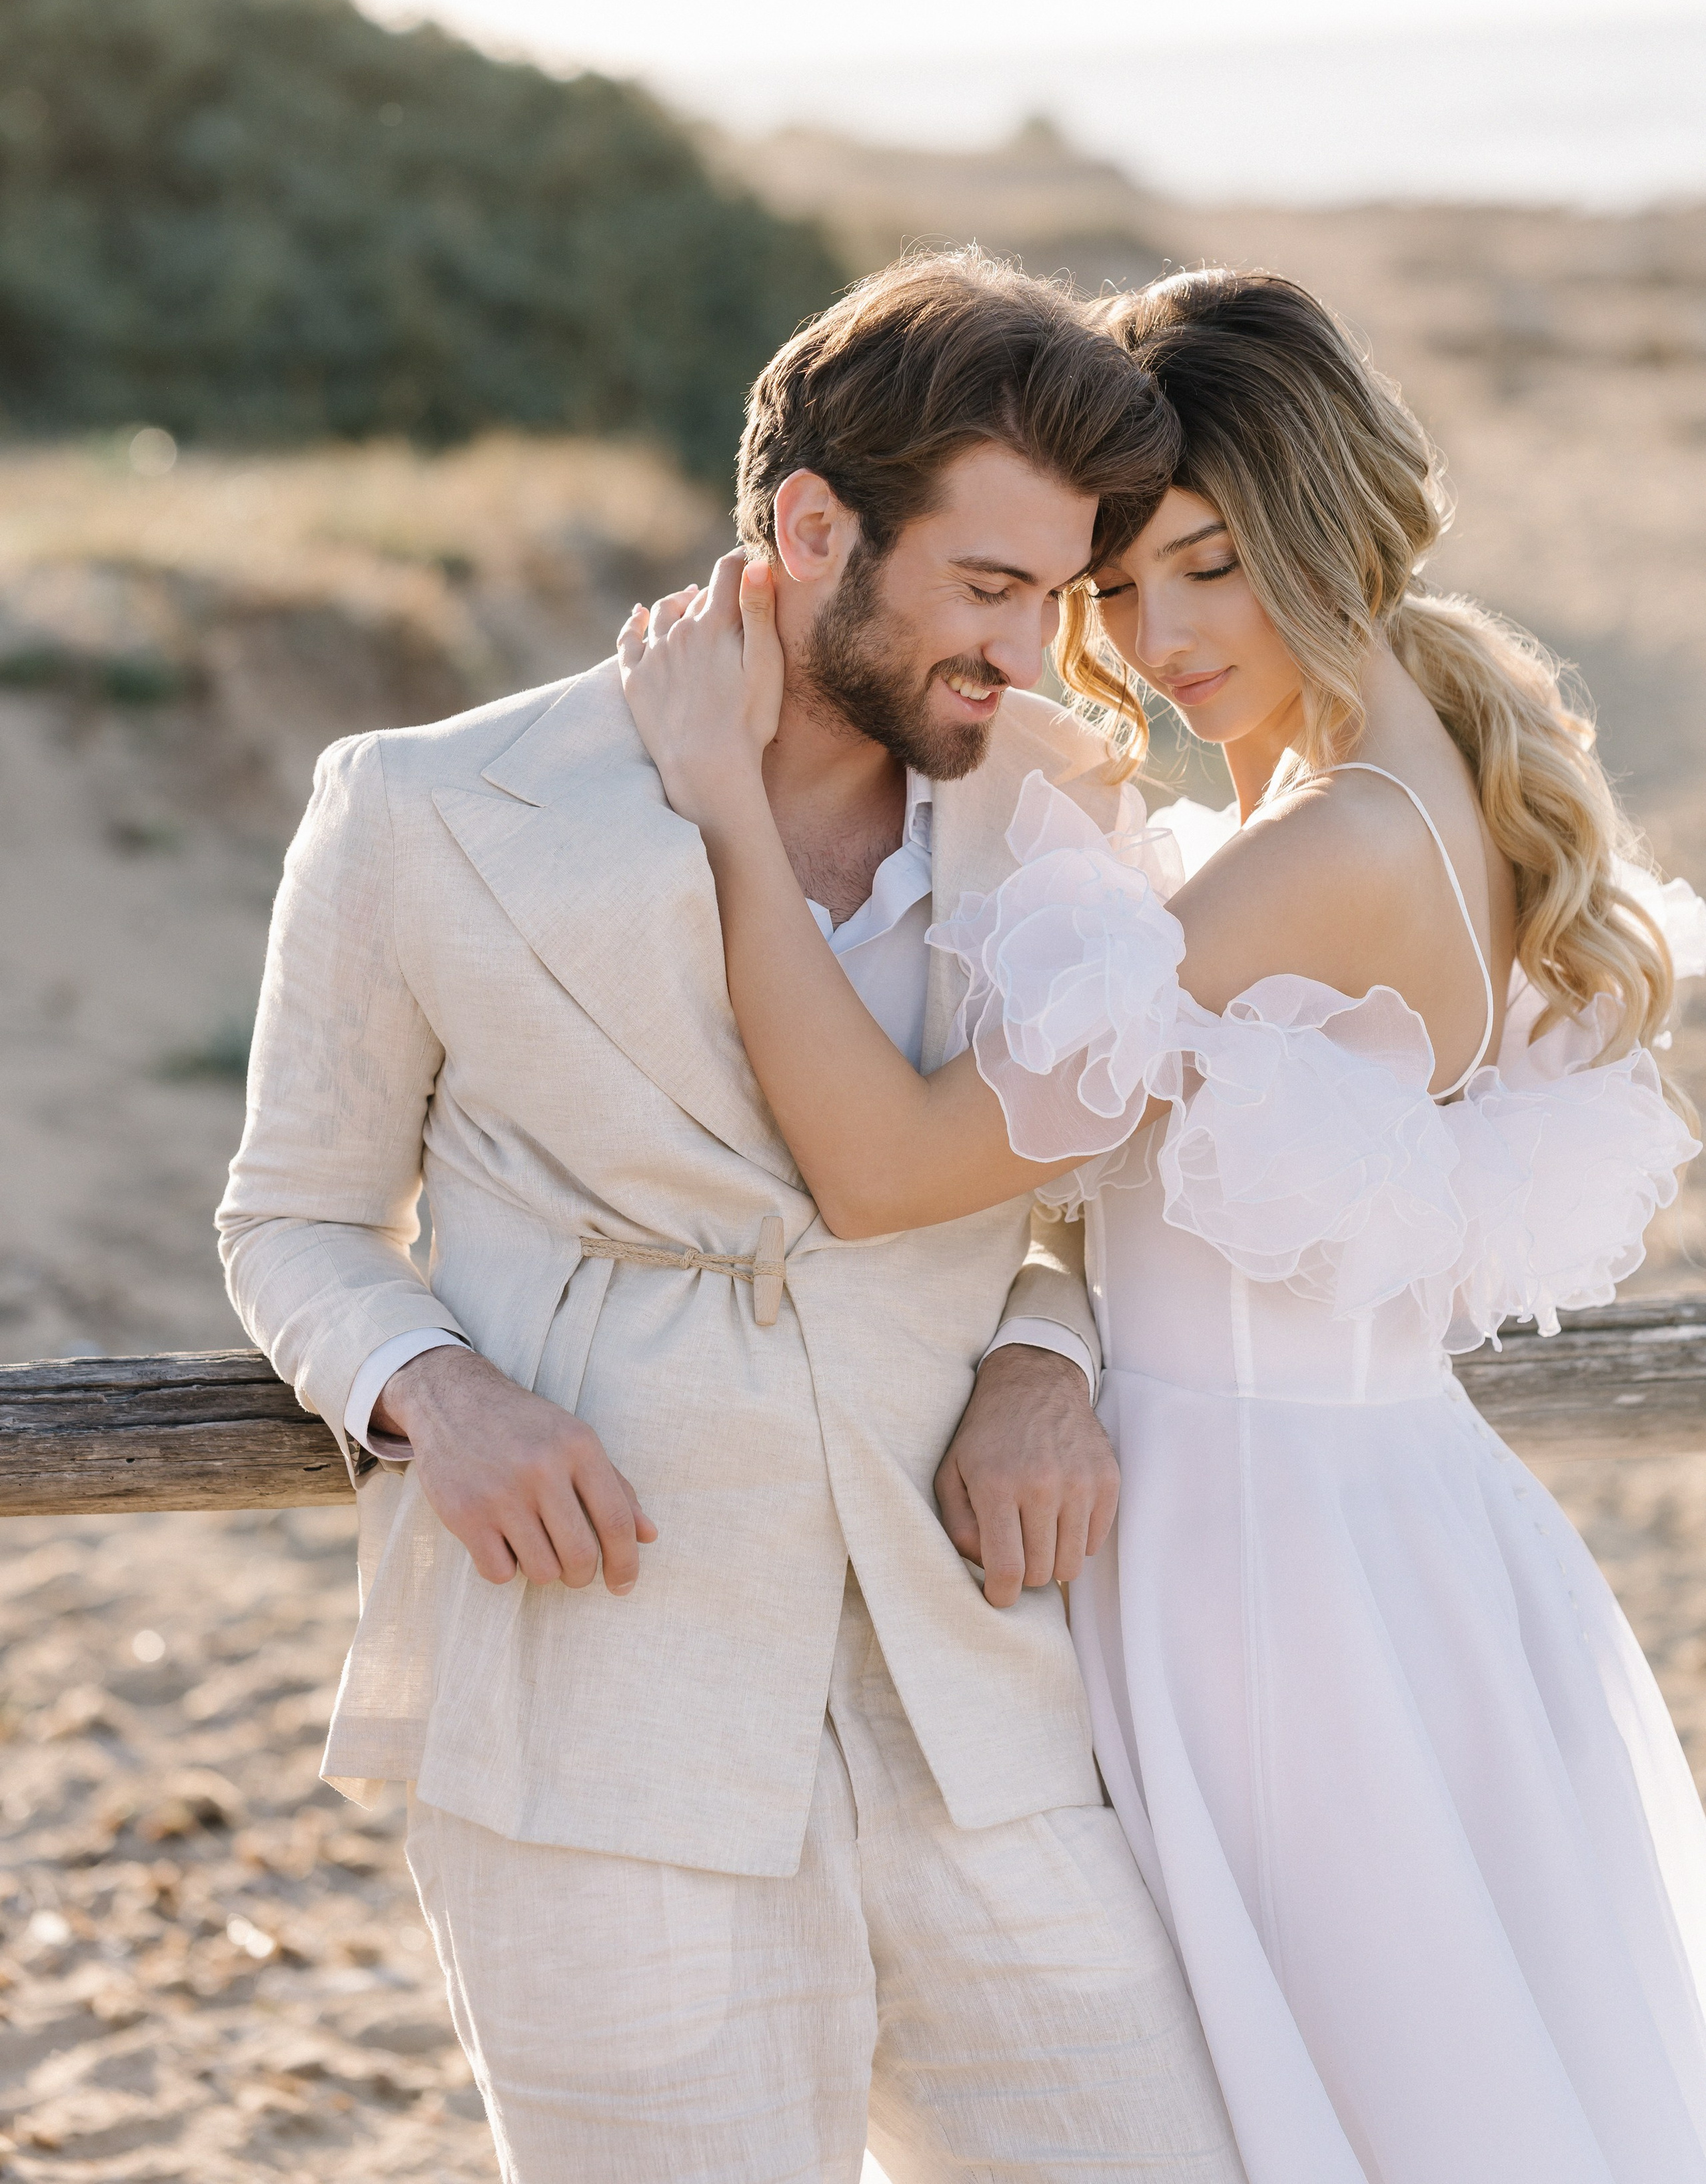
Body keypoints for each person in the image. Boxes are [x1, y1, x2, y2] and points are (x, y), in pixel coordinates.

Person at [618, 267, 1706, 2184]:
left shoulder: (1332, 848)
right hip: (1377, 1536)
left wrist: (724, 811)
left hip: (1265, 1575)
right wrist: (1048, 1332)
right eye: (1115, 586)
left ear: (1331, 517)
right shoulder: (1420, 772)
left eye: (1211, 564)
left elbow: (889, 1169)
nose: (1158, 636)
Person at [217, 251, 1246, 2184]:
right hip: (606, 1703)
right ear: (815, 529)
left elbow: (1089, 1204)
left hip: (982, 1695)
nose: (1030, 655)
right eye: (989, 587)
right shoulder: (426, 808)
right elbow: (292, 1218)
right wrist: (440, 1393)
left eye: (1056, 596)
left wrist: (1044, 1355)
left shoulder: (1058, 804)